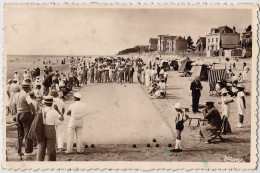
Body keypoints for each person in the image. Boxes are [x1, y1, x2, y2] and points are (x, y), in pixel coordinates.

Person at [37, 96, 64, 161]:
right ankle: (51, 162)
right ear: (51, 103)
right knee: (51, 147)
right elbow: (62, 118)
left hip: (42, 129)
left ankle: (39, 161)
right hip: (50, 129)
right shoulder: (53, 111)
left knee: (41, 147)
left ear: (45, 103)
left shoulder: (41, 110)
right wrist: (57, 110)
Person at [14, 81, 36, 156]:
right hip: (26, 114)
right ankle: (28, 151)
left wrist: (16, 113)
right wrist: (34, 114)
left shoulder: (16, 95)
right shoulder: (26, 95)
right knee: (28, 132)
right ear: (27, 88)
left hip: (18, 114)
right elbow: (31, 105)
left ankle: (18, 150)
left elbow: (14, 105)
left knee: (20, 133)